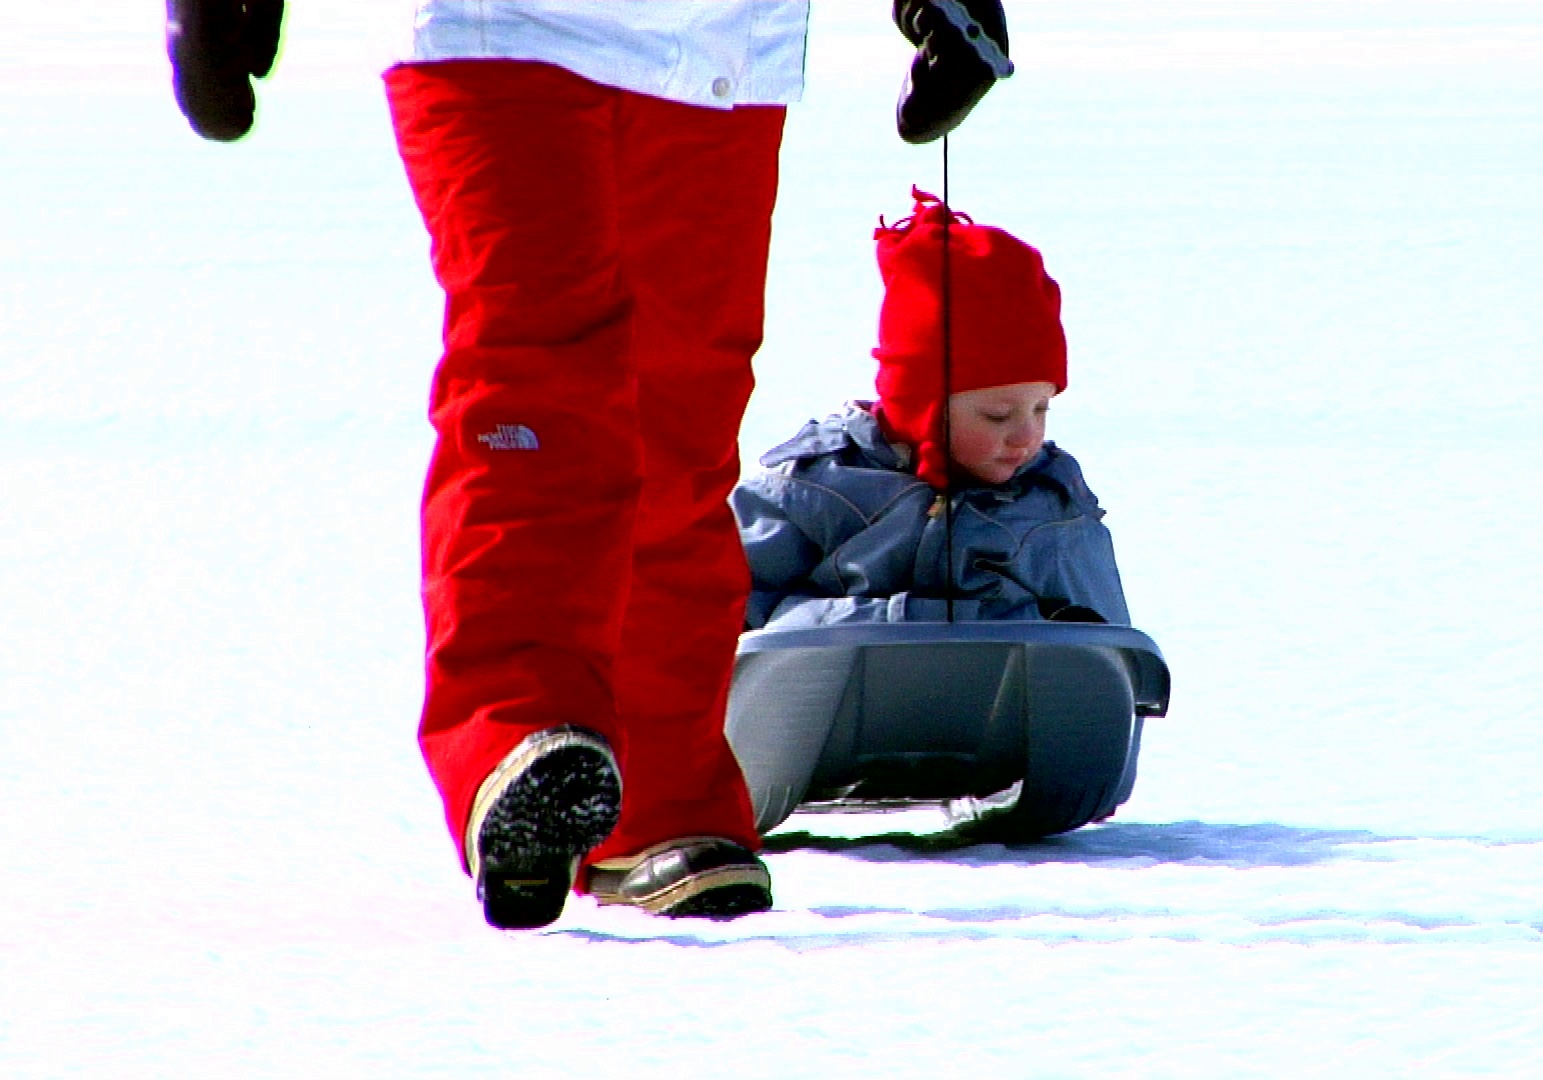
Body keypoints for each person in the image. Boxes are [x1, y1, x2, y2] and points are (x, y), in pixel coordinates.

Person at [165, 0, 1018, 930]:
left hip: (718, 41)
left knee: (679, 425)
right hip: (501, 26)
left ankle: (660, 807)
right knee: (534, 393)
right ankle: (517, 739)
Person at [732, 191, 1130, 632]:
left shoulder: (1051, 500)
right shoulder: (814, 489)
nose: (1026, 436)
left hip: (1016, 698)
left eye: (1041, 409)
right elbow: (731, 619)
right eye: (998, 415)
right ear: (923, 408)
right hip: (836, 694)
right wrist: (907, 622)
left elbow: (1106, 646)